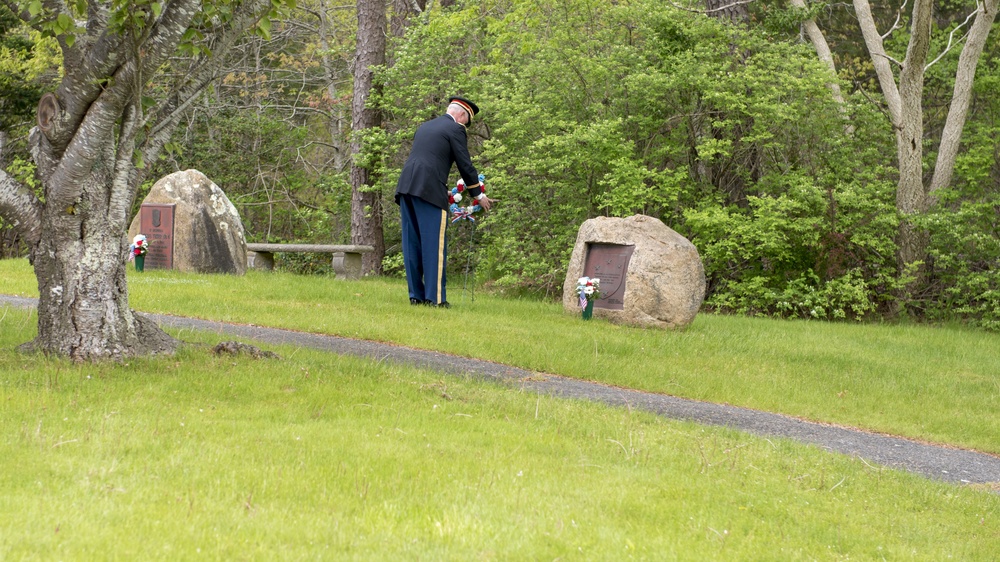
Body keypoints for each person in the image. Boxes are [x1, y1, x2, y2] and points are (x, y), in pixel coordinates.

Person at [395, 96, 493, 308]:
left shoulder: (425, 126)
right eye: (466, 122)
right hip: (429, 190)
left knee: (411, 244)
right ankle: (436, 299)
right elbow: (464, 164)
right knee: (433, 245)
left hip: (406, 186)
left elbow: (428, 159)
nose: (464, 126)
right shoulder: (455, 129)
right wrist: (479, 195)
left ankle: (416, 296)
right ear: (462, 116)